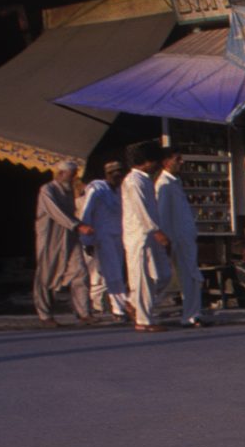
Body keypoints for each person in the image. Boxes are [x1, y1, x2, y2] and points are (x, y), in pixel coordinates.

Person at [33, 160, 92, 326]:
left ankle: (83, 313)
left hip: (69, 237)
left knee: (80, 272)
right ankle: (45, 315)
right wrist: (78, 225)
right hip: (51, 239)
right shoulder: (47, 190)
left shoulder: (68, 191)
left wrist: (77, 227)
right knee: (46, 275)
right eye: (71, 174)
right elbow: (55, 212)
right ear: (61, 174)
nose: (74, 177)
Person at [121, 141, 172, 332]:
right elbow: (140, 209)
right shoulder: (133, 181)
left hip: (150, 235)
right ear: (147, 161)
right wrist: (156, 230)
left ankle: (133, 302)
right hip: (139, 236)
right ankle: (143, 320)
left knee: (162, 275)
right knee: (142, 277)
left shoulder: (145, 180)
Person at [155, 150, 206, 329]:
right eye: (177, 159)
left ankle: (192, 315)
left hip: (184, 238)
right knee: (165, 276)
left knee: (191, 276)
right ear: (166, 162)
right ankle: (138, 305)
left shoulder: (175, 183)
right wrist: (166, 240)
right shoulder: (164, 185)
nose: (181, 162)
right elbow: (162, 214)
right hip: (175, 238)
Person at [79, 161, 128, 319]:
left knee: (116, 272)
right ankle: (119, 309)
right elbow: (86, 213)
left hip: (118, 236)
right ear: (108, 174)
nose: (117, 176)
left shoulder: (121, 190)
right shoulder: (97, 188)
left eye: (120, 173)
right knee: (111, 273)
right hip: (102, 236)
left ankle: (119, 307)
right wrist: (87, 240)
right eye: (114, 173)